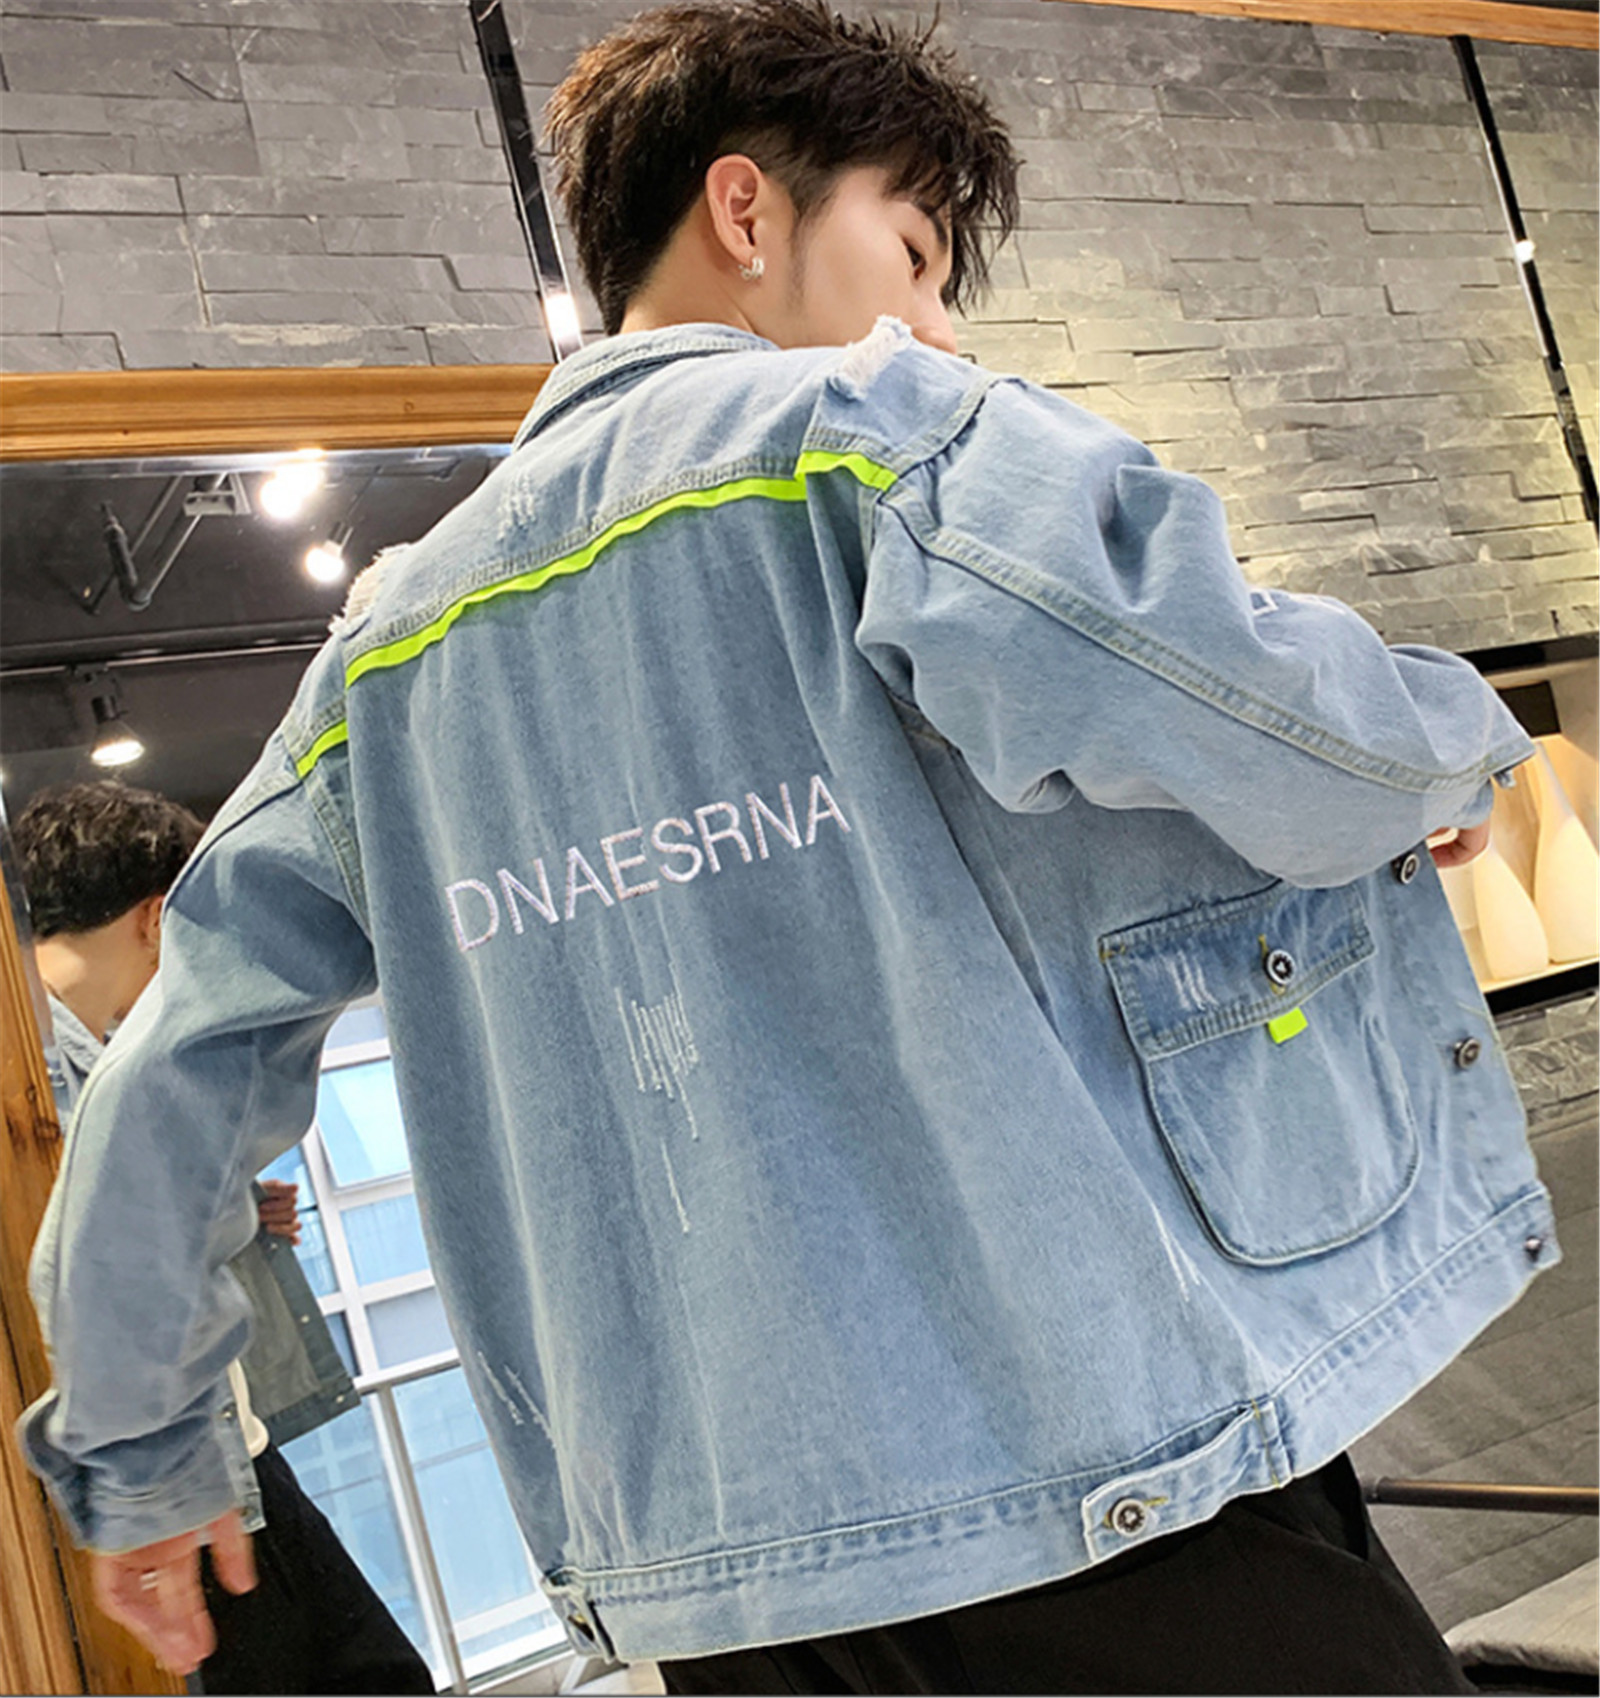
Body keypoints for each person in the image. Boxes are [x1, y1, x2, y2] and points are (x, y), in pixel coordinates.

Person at [20, 3, 1556, 1691]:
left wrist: (146, 1449)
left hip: (733, 1596)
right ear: (745, 210)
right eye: (916, 250)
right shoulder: (885, 443)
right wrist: (1447, 747)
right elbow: (1257, 709)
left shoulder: (376, 665)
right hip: (1112, 1493)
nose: (940, 323)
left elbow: (168, 1073)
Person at [15, 781, 433, 1694]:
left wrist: (236, 1215)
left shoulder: (79, 1068)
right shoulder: (60, 1081)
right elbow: (95, 1279)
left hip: (209, 1461)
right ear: (160, 918)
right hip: (165, 1484)